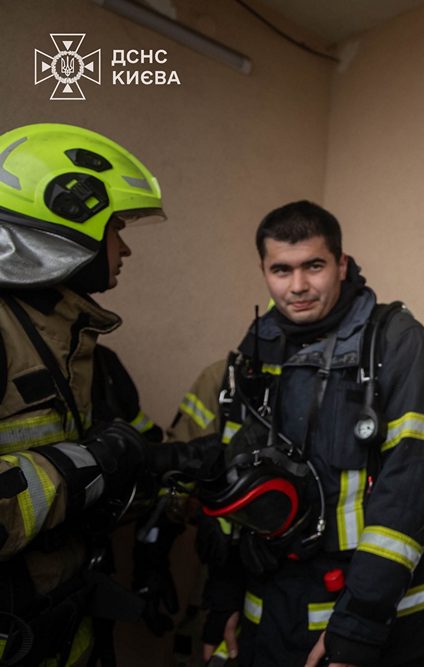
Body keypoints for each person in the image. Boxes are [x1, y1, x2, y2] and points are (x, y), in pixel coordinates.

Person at [172, 200, 424, 666]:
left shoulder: (398, 341)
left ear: (341, 264)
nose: (297, 286)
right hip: (271, 615)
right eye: (281, 270)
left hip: (376, 625)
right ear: (263, 269)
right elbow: (235, 475)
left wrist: (358, 625)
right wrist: (222, 601)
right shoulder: (257, 345)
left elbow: (412, 490)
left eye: (313, 266)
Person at [0, 123, 177, 664]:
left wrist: (177, 470)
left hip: (66, 631)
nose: (124, 248)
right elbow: (98, 460)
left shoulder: (85, 354)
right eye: (115, 228)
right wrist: (85, 467)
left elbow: (138, 444)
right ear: (66, 223)